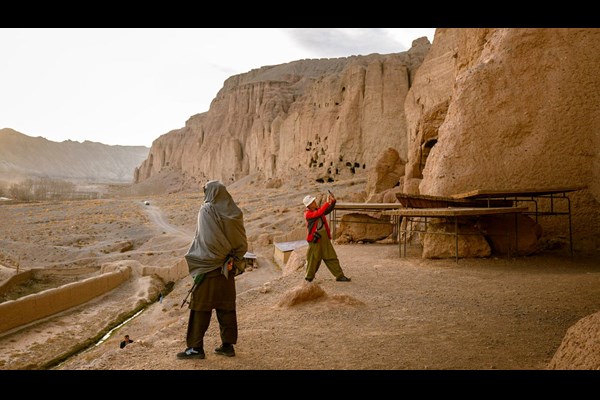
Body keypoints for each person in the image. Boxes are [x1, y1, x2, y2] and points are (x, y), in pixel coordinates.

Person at [177, 180, 248, 360]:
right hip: (228, 268)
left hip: (210, 268)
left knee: (200, 307)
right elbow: (240, 241)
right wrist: (231, 258)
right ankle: (227, 346)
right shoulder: (233, 211)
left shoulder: (207, 210)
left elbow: (206, 241)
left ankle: (195, 348)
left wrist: (209, 260)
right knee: (226, 307)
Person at [303, 191, 351, 283]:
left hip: (323, 237)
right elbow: (320, 212)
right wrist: (327, 203)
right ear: (308, 206)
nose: (314, 202)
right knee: (313, 259)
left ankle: (339, 276)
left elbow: (327, 210)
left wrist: (332, 202)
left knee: (331, 256)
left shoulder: (317, 210)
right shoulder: (308, 214)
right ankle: (308, 277)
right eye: (312, 202)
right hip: (315, 240)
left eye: (314, 201)